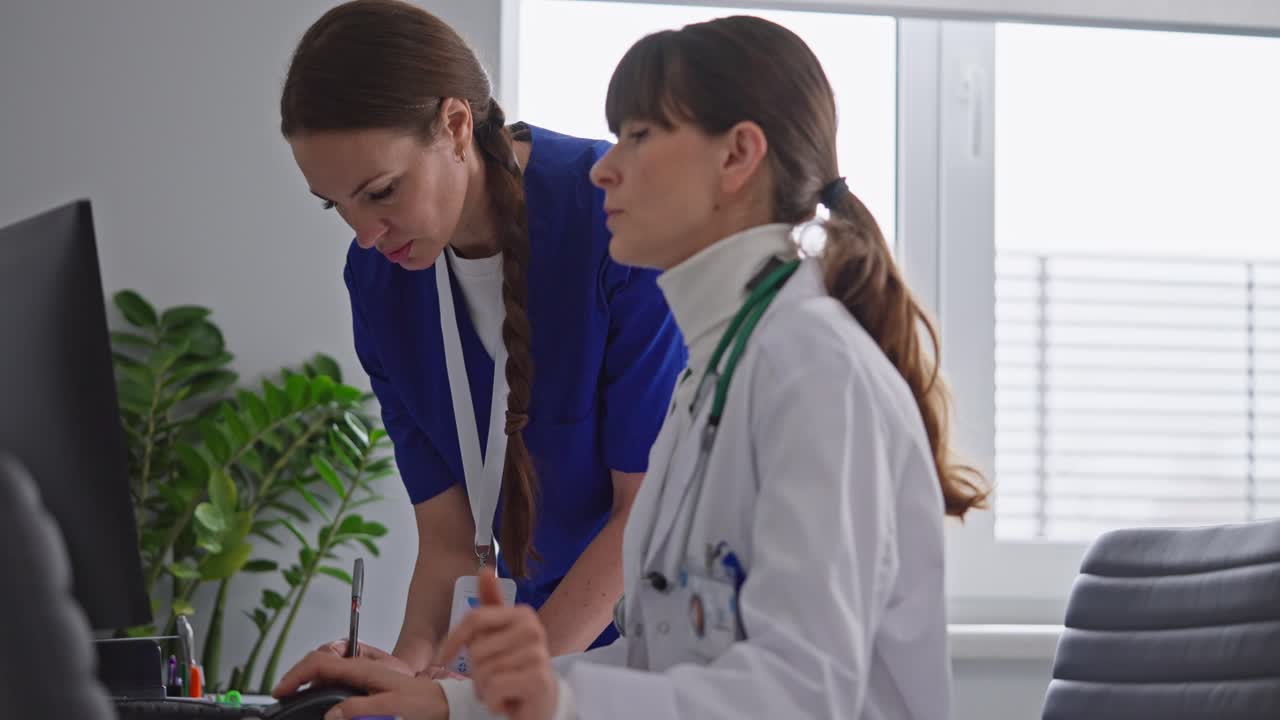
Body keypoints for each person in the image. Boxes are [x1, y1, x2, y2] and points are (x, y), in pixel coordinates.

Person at [273, 14, 989, 720]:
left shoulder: (815, 375)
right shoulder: (714, 381)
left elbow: (802, 694)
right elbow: (661, 657)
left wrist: (535, 696)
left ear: (737, 157)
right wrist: (447, 697)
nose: (605, 166)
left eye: (638, 137)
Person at [277, 0, 686, 678]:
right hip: (526, 666)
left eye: (380, 191)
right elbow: (447, 544)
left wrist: (487, 692)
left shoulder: (613, 223)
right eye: (336, 206)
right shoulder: (378, 284)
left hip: (652, 650)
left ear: (456, 124)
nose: (364, 233)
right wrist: (407, 676)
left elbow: (642, 517)